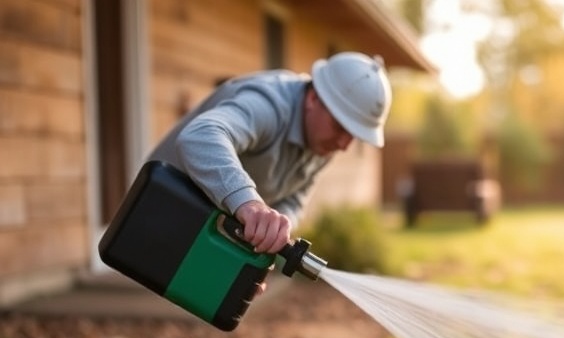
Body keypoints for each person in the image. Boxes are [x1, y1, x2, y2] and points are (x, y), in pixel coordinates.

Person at [147, 51, 392, 255]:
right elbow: (199, 136)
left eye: (354, 135)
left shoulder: (322, 142)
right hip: (153, 219)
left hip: (203, 237)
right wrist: (251, 206)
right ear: (314, 97)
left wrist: (273, 236)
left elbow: (294, 200)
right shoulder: (269, 106)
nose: (344, 145)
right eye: (341, 127)